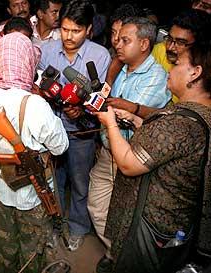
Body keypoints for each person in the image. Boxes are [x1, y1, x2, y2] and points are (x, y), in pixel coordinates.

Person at [92, 39, 211, 273]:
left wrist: (110, 123)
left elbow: (128, 164)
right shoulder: (200, 115)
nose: (170, 69)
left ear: (195, 73)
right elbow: (169, 150)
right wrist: (137, 121)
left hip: (153, 228)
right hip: (178, 223)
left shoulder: (178, 124)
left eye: (177, 64)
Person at [0, 32, 69, 272]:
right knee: (32, 250)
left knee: (6, 246)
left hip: (2, 183)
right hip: (32, 192)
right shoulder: (34, 103)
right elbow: (60, 145)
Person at [87, 16, 171, 272]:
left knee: (126, 215)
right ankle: (115, 250)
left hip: (132, 157)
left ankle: (121, 259)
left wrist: (111, 107)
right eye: (117, 38)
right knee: (97, 204)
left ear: (144, 44)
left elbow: (129, 115)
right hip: (107, 152)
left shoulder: (156, 76)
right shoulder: (121, 69)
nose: (117, 43)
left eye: (125, 40)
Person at [39, 0, 111, 251]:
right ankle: (54, 226)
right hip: (51, 132)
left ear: (89, 29)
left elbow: (100, 96)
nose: (68, 37)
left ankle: (79, 227)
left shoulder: (100, 56)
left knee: (80, 182)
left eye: (76, 31)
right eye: (65, 29)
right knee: (53, 182)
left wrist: (81, 108)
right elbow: (40, 85)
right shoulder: (46, 51)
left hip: (82, 131)